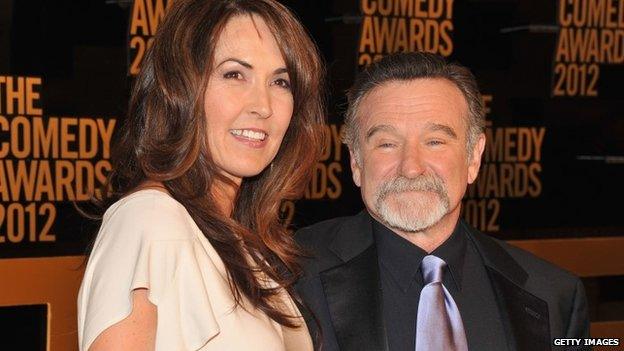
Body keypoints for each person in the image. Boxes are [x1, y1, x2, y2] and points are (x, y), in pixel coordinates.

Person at [295, 52, 590, 351]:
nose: (411, 167)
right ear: (356, 162)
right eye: (387, 143)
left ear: (474, 157)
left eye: (435, 141)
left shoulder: (555, 296)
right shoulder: (287, 276)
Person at [77, 0, 325, 350]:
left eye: (280, 82)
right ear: (179, 89)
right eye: (234, 74)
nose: (263, 105)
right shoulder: (150, 221)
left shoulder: (242, 243)